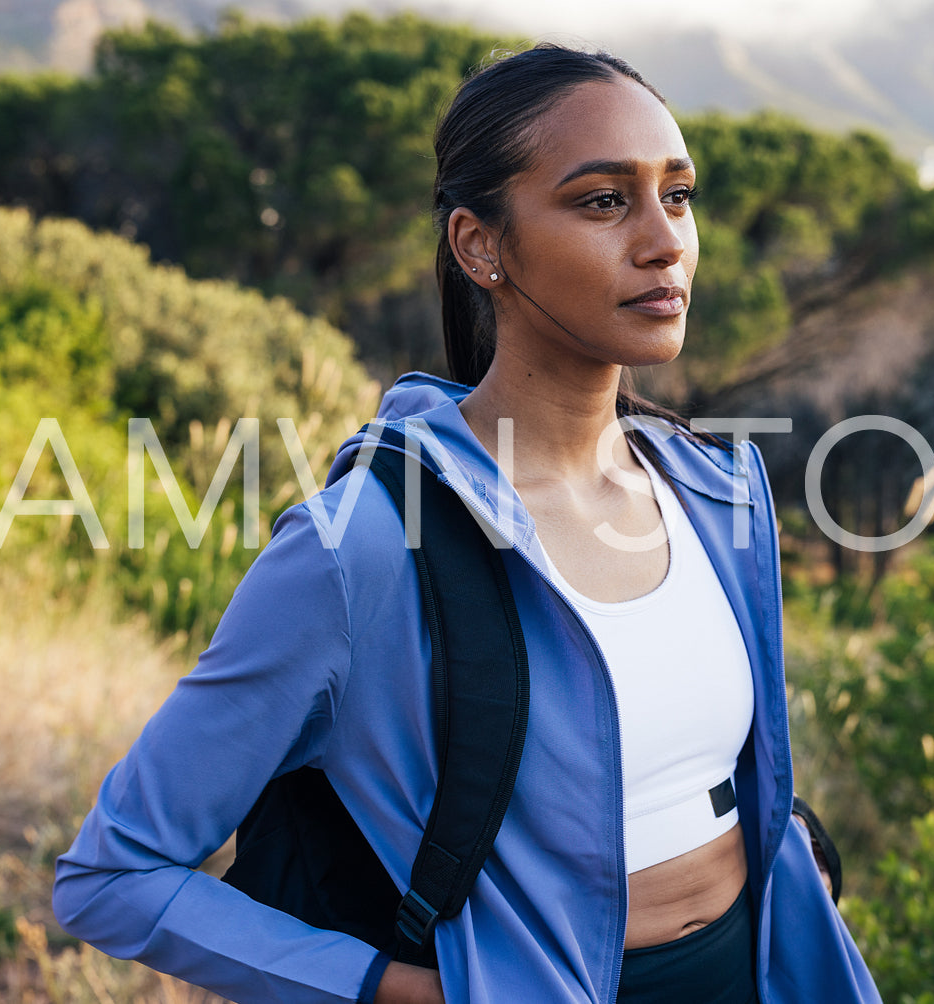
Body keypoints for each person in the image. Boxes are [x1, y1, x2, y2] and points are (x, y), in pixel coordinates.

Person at [53, 43, 881, 1004]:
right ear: (479, 245)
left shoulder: (717, 492)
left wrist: (792, 866)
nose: (665, 241)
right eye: (604, 201)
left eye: (679, 195)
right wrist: (399, 990)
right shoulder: (360, 546)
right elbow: (111, 878)